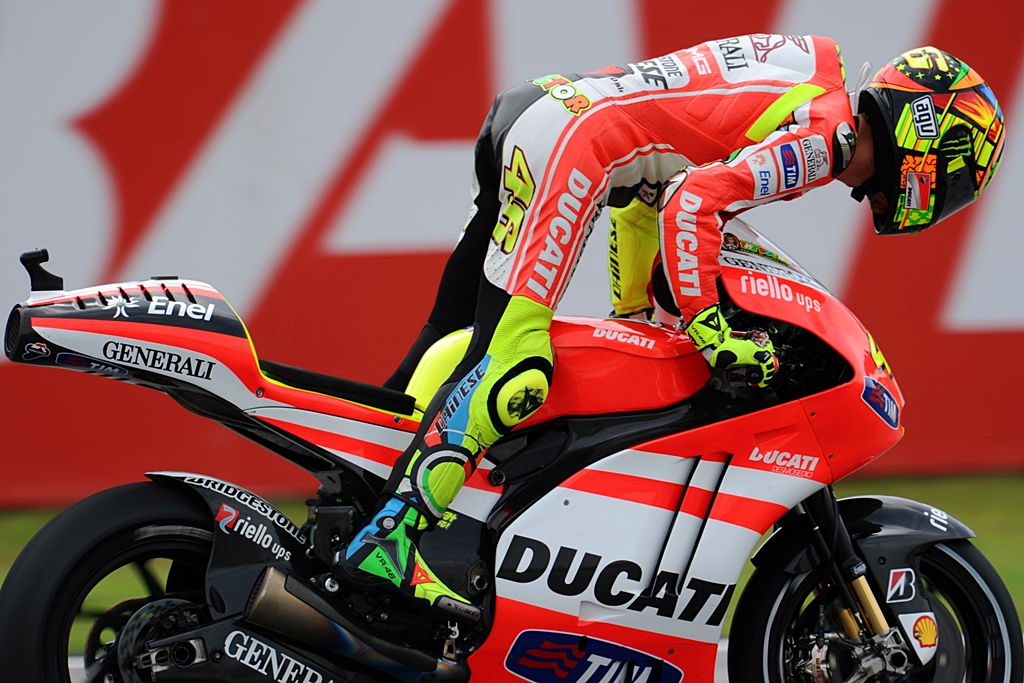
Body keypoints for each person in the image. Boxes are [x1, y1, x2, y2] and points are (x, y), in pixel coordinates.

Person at [335, 37, 1005, 615]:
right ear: (929, 133)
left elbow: (649, 196)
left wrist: (634, 317)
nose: (951, 192)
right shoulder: (828, 139)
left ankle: (343, 502)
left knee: (448, 341)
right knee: (513, 370)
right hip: (572, 145)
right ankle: (385, 547)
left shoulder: (814, 89)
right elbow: (690, 204)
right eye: (959, 171)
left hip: (548, 115)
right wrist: (713, 331)